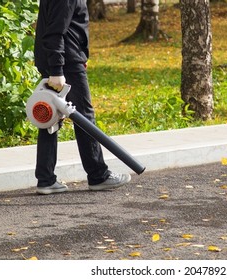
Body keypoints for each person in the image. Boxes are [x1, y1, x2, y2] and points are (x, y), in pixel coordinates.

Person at [33, 0, 130, 194]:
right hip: (66, 62)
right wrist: (57, 70)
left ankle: (45, 179)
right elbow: (55, 31)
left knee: (50, 117)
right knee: (84, 115)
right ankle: (98, 176)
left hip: (56, 59)